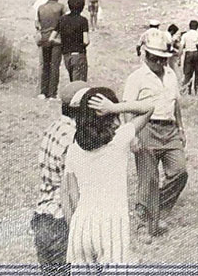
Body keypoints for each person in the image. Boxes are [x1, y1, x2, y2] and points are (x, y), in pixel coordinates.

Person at [62, 87, 153, 264]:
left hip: (81, 225)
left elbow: (73, 195)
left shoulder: (73, 149)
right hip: (112, 224)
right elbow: (149, 107)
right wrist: (114, 107)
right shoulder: (120, 139)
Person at [122, 36, 189, 238]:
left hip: (169, 130)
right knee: (149, 178)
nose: (159, 62)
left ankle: (153, 207)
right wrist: (131, 135)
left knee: (180, 171)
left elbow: (175, 103)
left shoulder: (170, 75)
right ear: (146, 55)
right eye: (155, 58)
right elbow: (127, 107)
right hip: (146, 129)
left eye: (163, 59)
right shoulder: (136, 77)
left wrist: (181, 128)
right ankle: (147, 221)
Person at [32, 81, 88, 276]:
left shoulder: (53, 128)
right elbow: (69, 192)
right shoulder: (74, 139)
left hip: (42, 217)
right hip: (61, 221)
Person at [37, 0, 67, 100]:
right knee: (55, 66)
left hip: (44, 38)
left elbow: (38, 23)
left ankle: (43, 91)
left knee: (45, 65)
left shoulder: (41, 8)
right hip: (56, 39)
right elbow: (64, 23)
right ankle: (52, 93)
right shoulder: (61, 7)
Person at [55, 0, 90, 83]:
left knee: (72, 82)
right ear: (82, 7)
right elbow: (86, 41)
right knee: (79, 85)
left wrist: (63, 42)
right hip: (78, 55)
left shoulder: (62, 19)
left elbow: (52, 38)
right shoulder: (83, 20)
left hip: (67, 56)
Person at [179, 20, 198, 95]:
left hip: (188, 53)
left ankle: (187, 91)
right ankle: (196, 91)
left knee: (187, 73)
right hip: (196, 53)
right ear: (197, 27)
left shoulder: (185, 35)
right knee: (196, 73)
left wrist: (179, 58)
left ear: (189, 26)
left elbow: (181, 47)